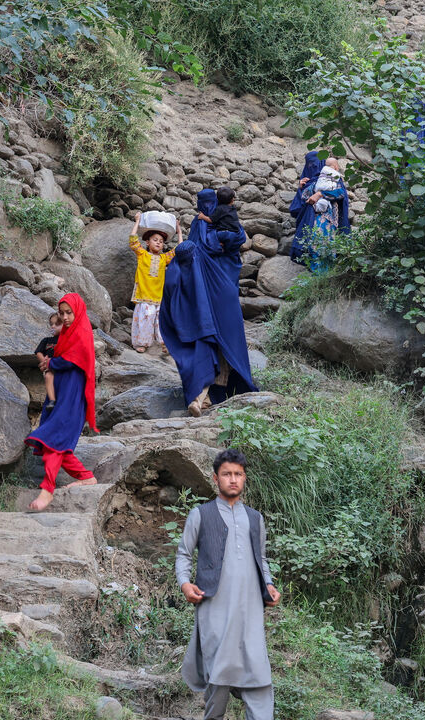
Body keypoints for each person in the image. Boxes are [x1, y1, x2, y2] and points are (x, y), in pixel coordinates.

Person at [175, 448, 281, 720]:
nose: (233, 479)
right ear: (215, 478)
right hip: (215, 609)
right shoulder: (200, 515)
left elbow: (262, 558)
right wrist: (185, 585)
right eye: (227, 474)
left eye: (238, 474)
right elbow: (184, 554)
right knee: (218, 679)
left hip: (250, 611)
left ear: (245, 478)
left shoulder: (255, 518)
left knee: (258, 674)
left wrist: (268, 585)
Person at [159, 189, 259, 418]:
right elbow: (232, 240)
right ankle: (209, 395)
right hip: (215, 291)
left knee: (215, 341)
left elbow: (228, 241)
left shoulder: (203, 225)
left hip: (211, 293)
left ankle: (208, 395)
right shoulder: (214, 227)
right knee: (220, 341)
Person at [25, 294, 98, 511]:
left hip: (73, 396)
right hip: (59, 393)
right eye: (61, 313)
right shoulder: (66, 332)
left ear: (78, 311)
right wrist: (50, 363)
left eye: (69, 313)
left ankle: (47, 490)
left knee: (52, 439)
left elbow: (74, 358)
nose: (65, 317)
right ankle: (86, 477)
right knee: (57, 445)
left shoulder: (82, 332)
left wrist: (52, 362)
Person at [129, 213, 178, 354]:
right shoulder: (142, 254)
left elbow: (178, 250)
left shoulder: (164, 258)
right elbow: (133, 240)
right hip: (144, 294)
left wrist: (179, 230)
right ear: (147, 243)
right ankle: (142, 343)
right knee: (145, 320)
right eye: (155, 240)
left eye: (161, 241)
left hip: (158, 296)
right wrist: (137, 220)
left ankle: (165, 344)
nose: (158, 242)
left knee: (161, 321)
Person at [297, 157, 350, 274]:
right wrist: (301, 188)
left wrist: (321, 194)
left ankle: (324, 277)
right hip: (314, 218)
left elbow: (341, 194)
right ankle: (318, 276)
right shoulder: (314, 181)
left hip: (329, 219)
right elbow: (303, 201)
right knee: (314, 245)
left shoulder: (335, 180)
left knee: (326, 245)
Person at [34, 312, 62, 409]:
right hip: (49, 366)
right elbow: (38, 352)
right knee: (48, 376)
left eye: (57, 324)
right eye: (51, 324)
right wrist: (45, 362)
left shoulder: (65, 339)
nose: (53, 326)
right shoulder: (46, 340)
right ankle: (52, 400)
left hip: (60, 365)